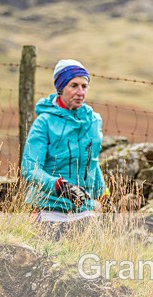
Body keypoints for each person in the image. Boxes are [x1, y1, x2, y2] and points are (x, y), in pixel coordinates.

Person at [21, 59, 107, 238]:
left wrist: (102, 193)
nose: (80, 92)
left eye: (84, 86)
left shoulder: (93, 121)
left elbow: (91, 161)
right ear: (60, 88)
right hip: (48, 207)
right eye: (73, 85)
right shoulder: (44, 123)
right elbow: (30, 169)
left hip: (84, 209)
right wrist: (59, 186)